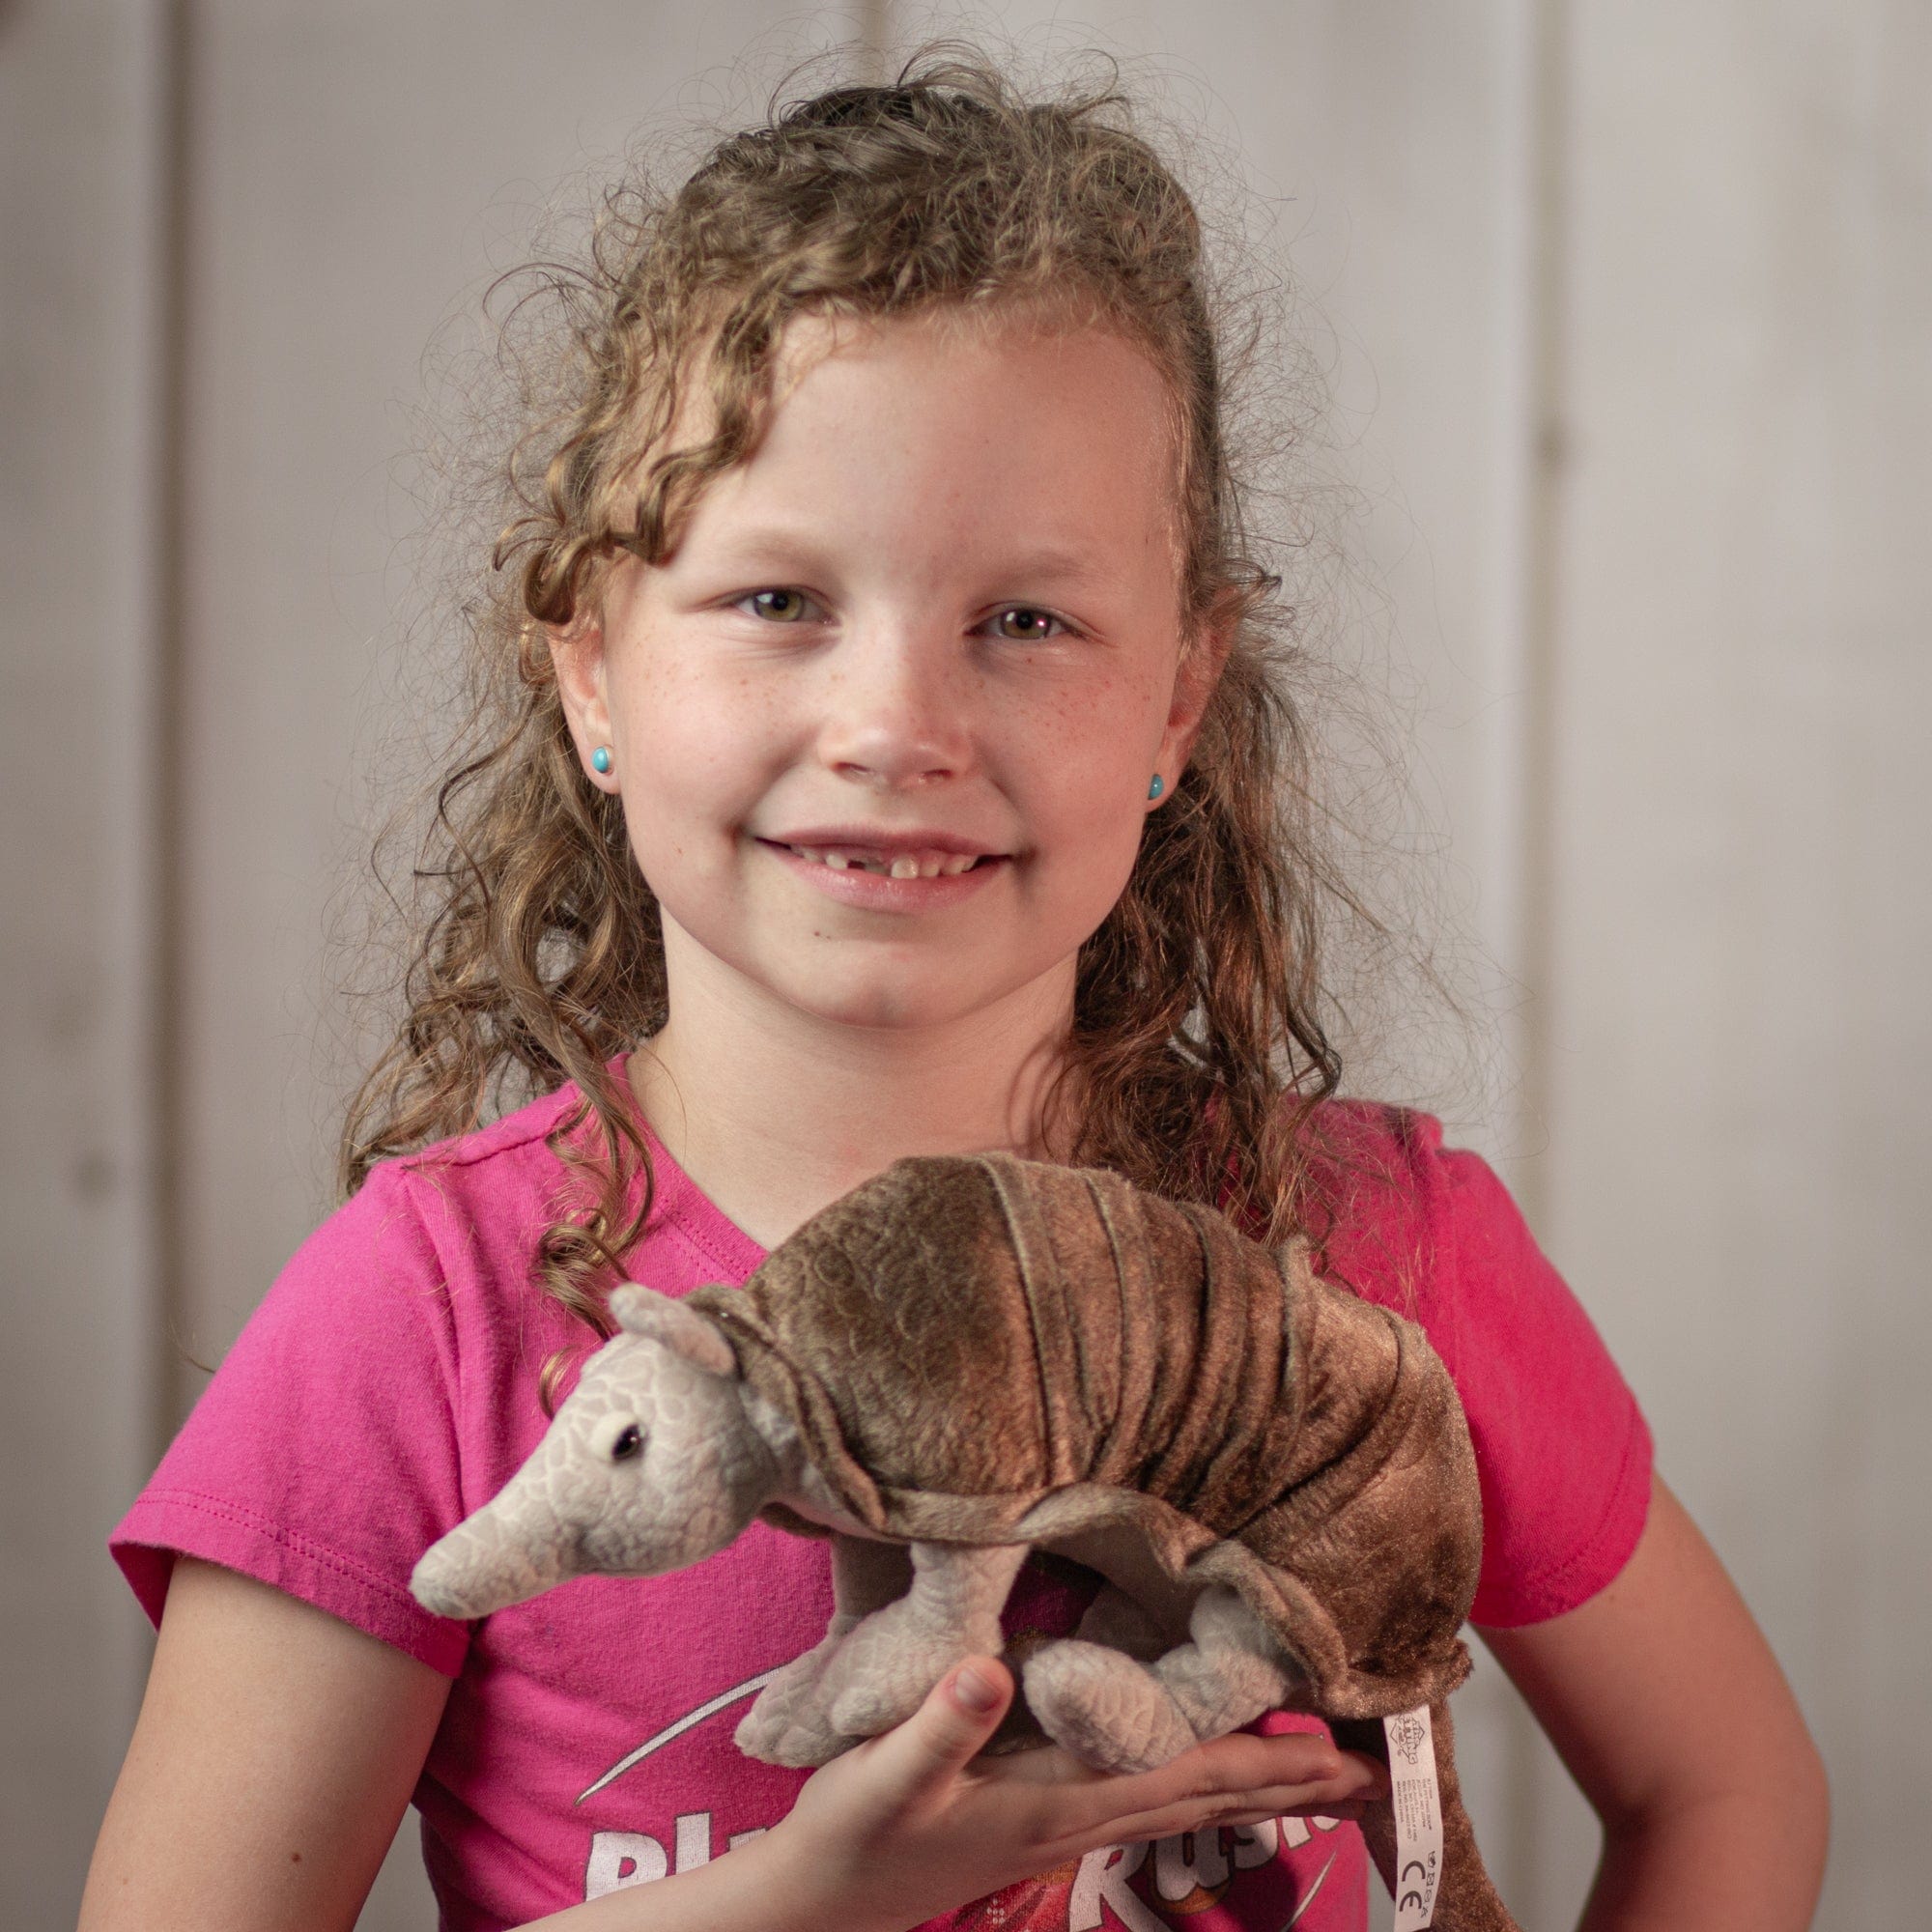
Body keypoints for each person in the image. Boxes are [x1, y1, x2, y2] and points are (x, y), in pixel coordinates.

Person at [78, 51, 1828, 1932]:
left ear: (1175, 695)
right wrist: (801, 1897)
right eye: (777, 602)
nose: (897, 725)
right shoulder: (417, 1317)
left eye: (1024, 619)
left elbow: (1724, 1788)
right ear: (589, 668)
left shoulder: (1372, 1253)